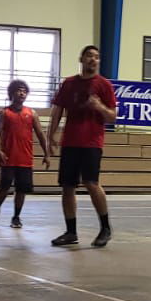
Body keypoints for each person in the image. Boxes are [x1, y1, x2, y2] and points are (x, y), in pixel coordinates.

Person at [49, 45, 118, 248]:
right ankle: (71, 232)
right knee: (67, 187)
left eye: (96, 57)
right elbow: (57, 111)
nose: (93, 60)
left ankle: (105, 227)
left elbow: (112, 116)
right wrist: (50, 135)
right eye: (89, 56)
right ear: (81, 59)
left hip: (91, 142)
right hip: (70, 141)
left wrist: (99, 107)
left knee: (91, 183)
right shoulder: (69, 84)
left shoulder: (104, 85)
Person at [0, 79, 49, 228]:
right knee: (4, 187)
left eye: (24, 91)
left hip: (25, 159)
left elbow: (40, 134)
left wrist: (46, 153)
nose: (22, 93)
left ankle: (16, 217)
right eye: (19, 90)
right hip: (8, 158)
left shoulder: (32, 113)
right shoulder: (4, 113)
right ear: (12, 93)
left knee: (21, 190)